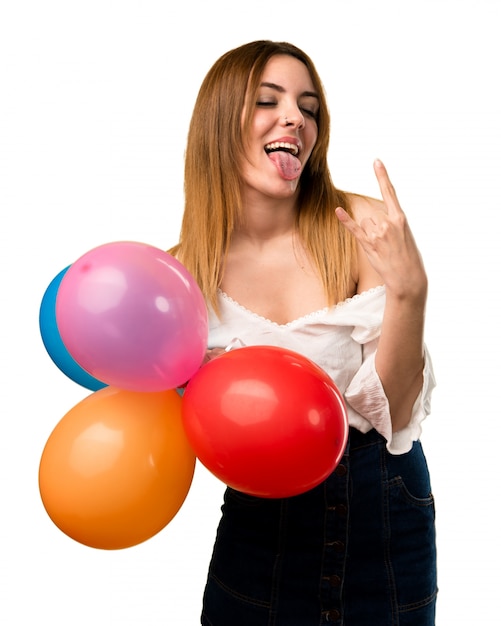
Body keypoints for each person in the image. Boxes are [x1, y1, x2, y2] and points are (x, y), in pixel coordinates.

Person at [170, 40, 437, 626]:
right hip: (260, 531)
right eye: (269, 100)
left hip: (383, 511)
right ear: (219, 122)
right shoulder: (179, 278)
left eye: (308, 107)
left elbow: (394, 413)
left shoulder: (362, 224)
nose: (295, 117)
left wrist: (410, 293)